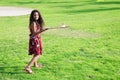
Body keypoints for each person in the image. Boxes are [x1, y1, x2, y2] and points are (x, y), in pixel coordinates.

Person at [25, 10, 48, 74]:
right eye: (34, 15)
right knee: (38, 54)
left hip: (37, 39)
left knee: (36, 52)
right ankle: (28, 67)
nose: (36, 16)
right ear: (32, 16)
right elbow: (34, 33)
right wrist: (42, 30)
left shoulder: (36, 22)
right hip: (35, 40)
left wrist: (41, 30)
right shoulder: (33, 23)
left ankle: (35, 64)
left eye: (37, 15)